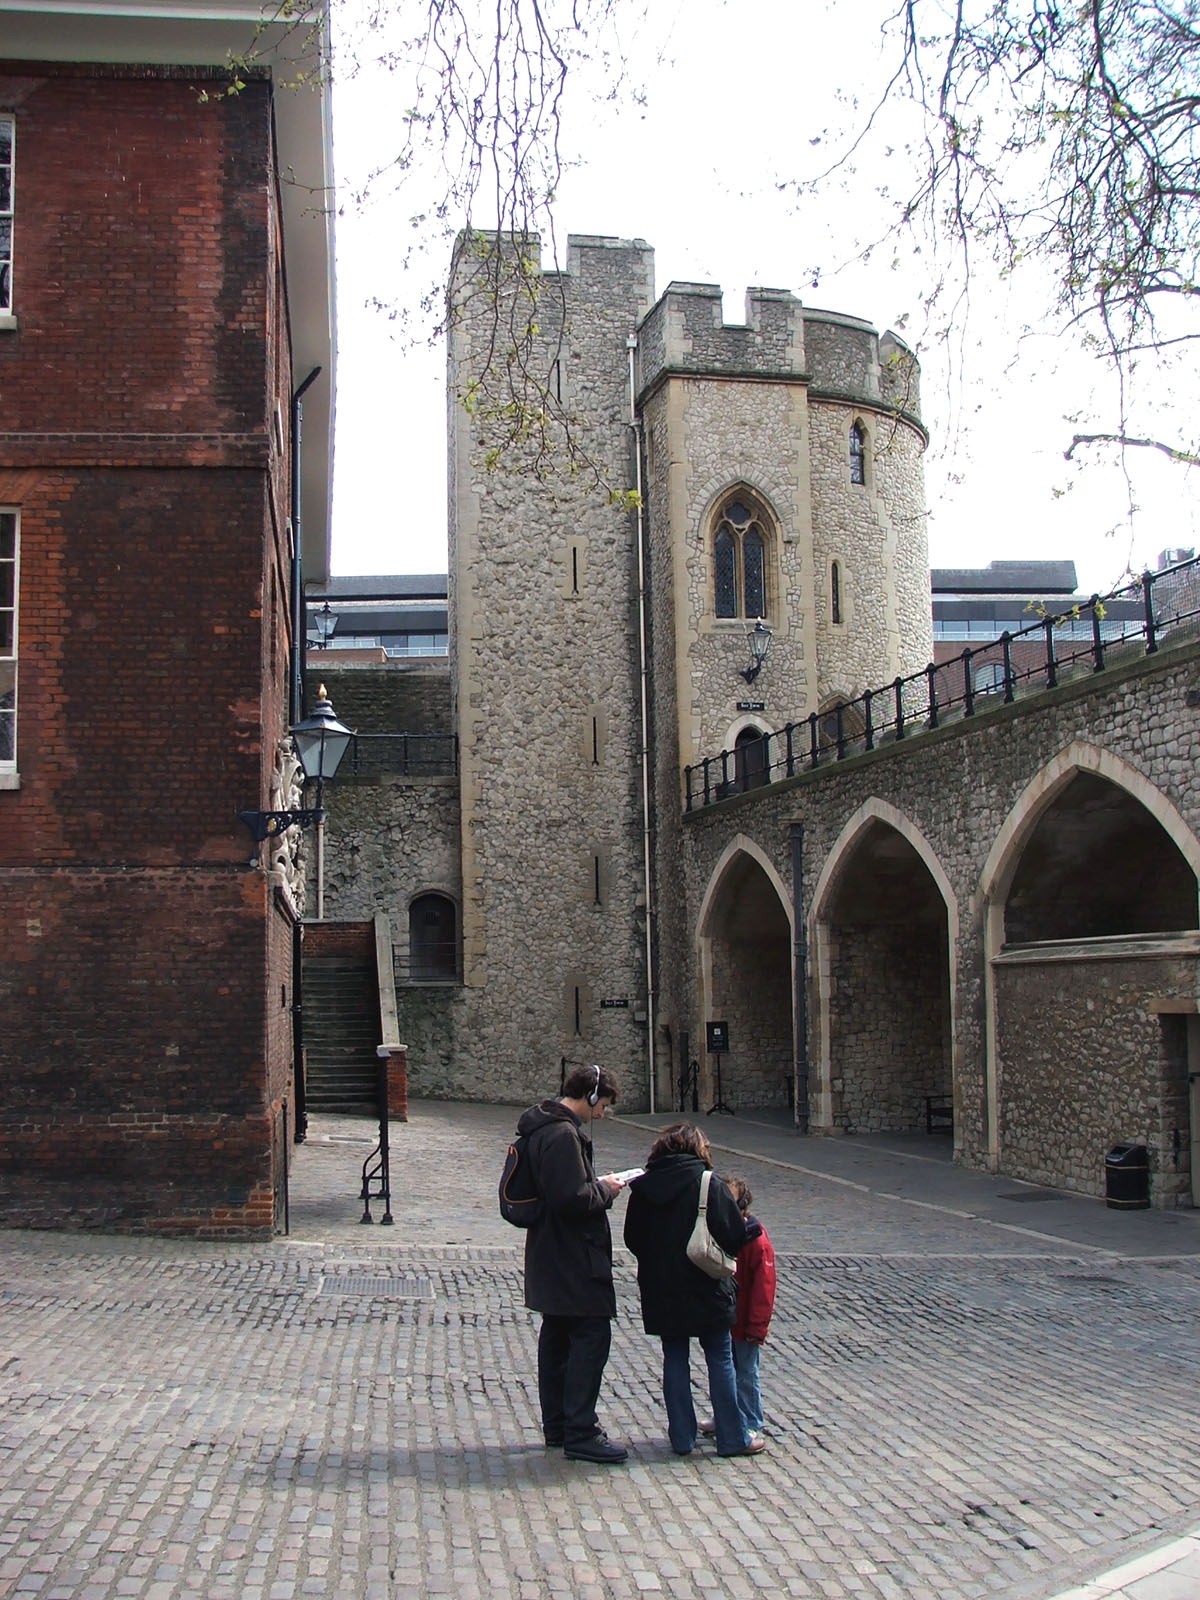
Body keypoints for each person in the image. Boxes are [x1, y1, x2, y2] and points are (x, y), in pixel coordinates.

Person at [622, 1122, 765, 1458]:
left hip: (662, 1287)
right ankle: (732, 1437)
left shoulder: (644, 1187)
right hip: (706, 1285)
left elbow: (632, 1238)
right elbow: (733, 1235)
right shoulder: (708, 1183)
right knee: (720, 1357)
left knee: (675, 1357)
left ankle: (682, 1437)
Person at [517, 1063, 630, 1464]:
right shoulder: (562, 1135)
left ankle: (559, 1425)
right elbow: (571, 1199)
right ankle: (580, 1429)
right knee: (590, 1336)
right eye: (603, 1105)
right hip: (573, 1255)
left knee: (558, 1337)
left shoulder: (543, 1128)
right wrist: (606, 1189)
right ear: (591, 1096)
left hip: (551, 1252)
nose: (602, 1113)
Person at [701, 1176, 776, 1445]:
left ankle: (752, 1421)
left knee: (746, 1373)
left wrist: (757, 1327)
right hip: (728, 1317)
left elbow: (763, 1291)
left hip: (745, 1323)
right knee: (727, 1370)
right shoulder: (726, 1233)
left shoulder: (757, 1242)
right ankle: (726, 1417)